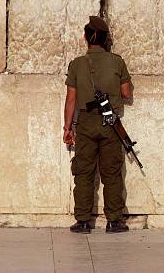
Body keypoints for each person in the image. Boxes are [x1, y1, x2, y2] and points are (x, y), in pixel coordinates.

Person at [63, 16, 133, 234]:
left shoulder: (76, 64)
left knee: (83, 172)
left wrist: (67, 128)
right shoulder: (117, 61)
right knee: (112, 172)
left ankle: (83, 221)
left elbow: (71, 99)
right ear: (105, 39)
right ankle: (114, 220)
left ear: (86, 37)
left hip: (85, 122)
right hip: (110, 122)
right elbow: (126, 93)